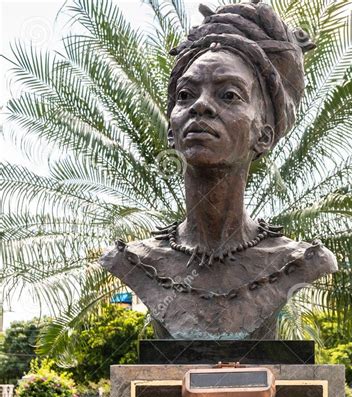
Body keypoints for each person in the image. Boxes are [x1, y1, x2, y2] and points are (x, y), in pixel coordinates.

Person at [100, 1, 337, 339]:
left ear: (264, 135)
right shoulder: (134, 261)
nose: (200, 105)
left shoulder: (299, 261)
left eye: (228, 95)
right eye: (185, 95)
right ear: (171, 130)